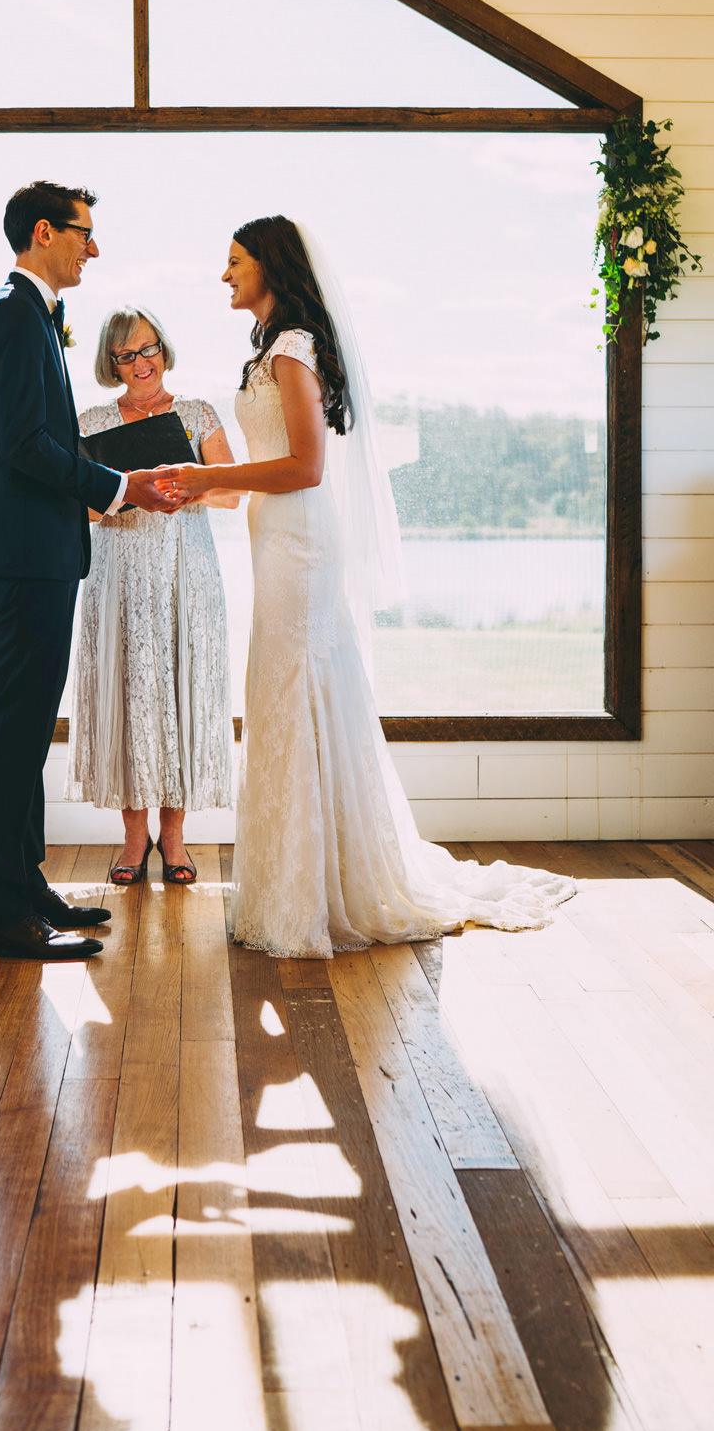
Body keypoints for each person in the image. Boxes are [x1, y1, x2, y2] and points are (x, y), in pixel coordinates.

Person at [156, 215, 577, 959]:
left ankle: (314, 891)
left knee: (293, 691)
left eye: (234, 261)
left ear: (271, 268)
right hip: (277, 537)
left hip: (299, 538)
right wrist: (201, 486)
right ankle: (302, 881)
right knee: (284, 693)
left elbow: (306, 468)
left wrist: (210, 476)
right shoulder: (275, 349)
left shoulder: (292, 349)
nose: (224, 275)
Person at [0, 180, 176, 961]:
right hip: (25, 556)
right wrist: (121, 486)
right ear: (46, 232)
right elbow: (27, 448)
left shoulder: (26, 316)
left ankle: (26, 886)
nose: (95, 247)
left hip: (38, 554)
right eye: (86, 233)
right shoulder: (13, 317)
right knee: (11, 736)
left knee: (23, 733)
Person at [68, 307, 236, 885]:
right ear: (110, 363)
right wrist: (130, 496)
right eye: (125, 355)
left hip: (185, 574)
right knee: (129, 695)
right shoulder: (90, 422)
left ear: (163, 350)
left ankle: (175, 837)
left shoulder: (196, 413)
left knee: (180, 693)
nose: (139, 363)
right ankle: (133, 838)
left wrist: (186, 488)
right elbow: (81, 507)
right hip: (119, 573)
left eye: (147, 350)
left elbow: (231, 493)